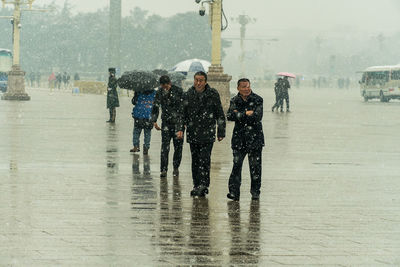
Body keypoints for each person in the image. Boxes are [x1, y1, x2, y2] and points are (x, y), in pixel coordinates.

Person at [180, 71, 226, 197]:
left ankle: (204, 184)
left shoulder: (212, 94)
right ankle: (197, 184)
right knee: (195, 161)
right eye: (196, 80)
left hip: (207, 132)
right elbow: (182, 114)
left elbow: (219, 113)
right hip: (193, 132)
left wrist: (221, 131)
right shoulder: (188, 94)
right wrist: (180, 129)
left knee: (204, 160)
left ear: (205, 81)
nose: (198, 83)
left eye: (201, 80)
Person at [226, 78, 264, 201]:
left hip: (255, 138)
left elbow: (257, 117)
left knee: (255, 167)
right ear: (238, 88)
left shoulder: (258, 99)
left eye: (247, 86)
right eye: (243, 87)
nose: (246, 89)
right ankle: (234, 192)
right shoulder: (234, 100)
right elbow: (230, 116)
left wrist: (239, 114)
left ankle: (255, 192)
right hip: (239, 139)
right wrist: (246, 113)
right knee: (236, 166)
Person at [151, 75, 184, 178]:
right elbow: (155, 106)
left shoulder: (178, 91)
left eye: (167, 86)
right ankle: (164, 169)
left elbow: (183, 108)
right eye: (164, 86)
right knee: (165, 147)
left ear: (170, 83)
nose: (166, 88)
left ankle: (175, 167)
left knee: (178, 148)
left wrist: (182, 125)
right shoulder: (159, 92)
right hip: (166, 123)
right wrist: (154, 120)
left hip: (178, 123)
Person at [130, 89, 156, 155]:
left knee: (136, 132)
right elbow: (156, 104)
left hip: (139, 114)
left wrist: (135, 94)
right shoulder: (154, 93)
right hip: (149, 115)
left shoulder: (139, 92)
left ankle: (136, 146)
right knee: (147, 133)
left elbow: (134, 102)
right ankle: (146, 148)